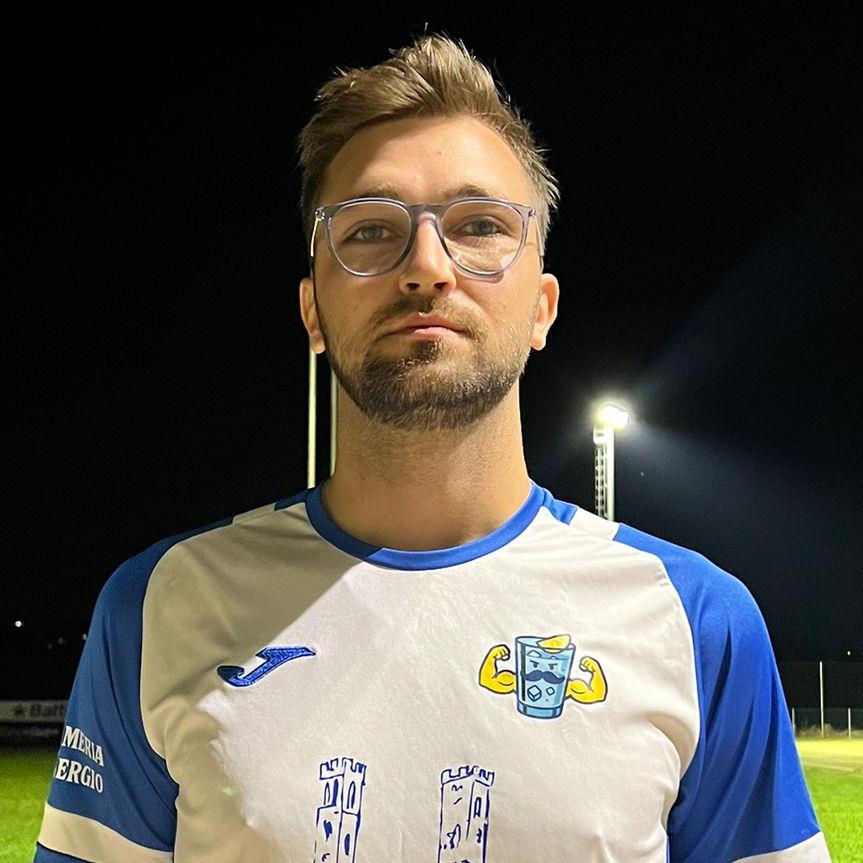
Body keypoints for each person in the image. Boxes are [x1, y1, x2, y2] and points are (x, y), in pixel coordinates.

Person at [34, 33, 829, 863]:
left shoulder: (694, 619)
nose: (425, 266)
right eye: (369, 230)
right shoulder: (160, 604)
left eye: (478, 225)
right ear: (312, 312)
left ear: (541, 307)